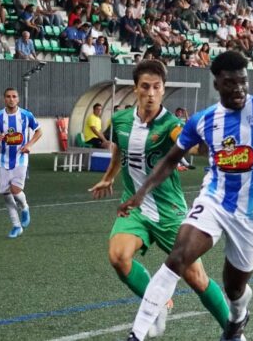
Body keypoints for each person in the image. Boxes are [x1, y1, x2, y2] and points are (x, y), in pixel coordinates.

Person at [122, 51, 253, 341]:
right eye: (231, 83)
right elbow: (171, 159)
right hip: (214, 201)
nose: (239, 88)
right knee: (178, 256)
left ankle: (238, 317)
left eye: (243, 81)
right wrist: (142, 192)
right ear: (217, 83)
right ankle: (137, 333)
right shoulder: (202, 120)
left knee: (234, 288)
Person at [89, 60, 230, 338]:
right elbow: (120, 151)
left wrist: (210, 143)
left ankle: (233, 331)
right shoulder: (119, 120)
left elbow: (193, 146)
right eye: (145, 87)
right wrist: (109, 177)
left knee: (197, 279)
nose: (151, 93)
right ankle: (159, 303)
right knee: (118, 256)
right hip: (135, 206)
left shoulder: (171, 125)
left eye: (157, 87)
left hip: (170, 212)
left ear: (163, 90)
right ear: (136, 89)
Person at [0, 88, 43, 238]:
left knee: (15, 190)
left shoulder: (26, 115)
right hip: (3, 160)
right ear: (4, 99)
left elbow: (39, 131)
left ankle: (24, 207)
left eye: (14, 96)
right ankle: (16, 226)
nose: (11, 99)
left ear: (18, 99)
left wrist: (29, 145)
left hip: (20, 159)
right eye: (8, 96)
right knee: (5, 193)